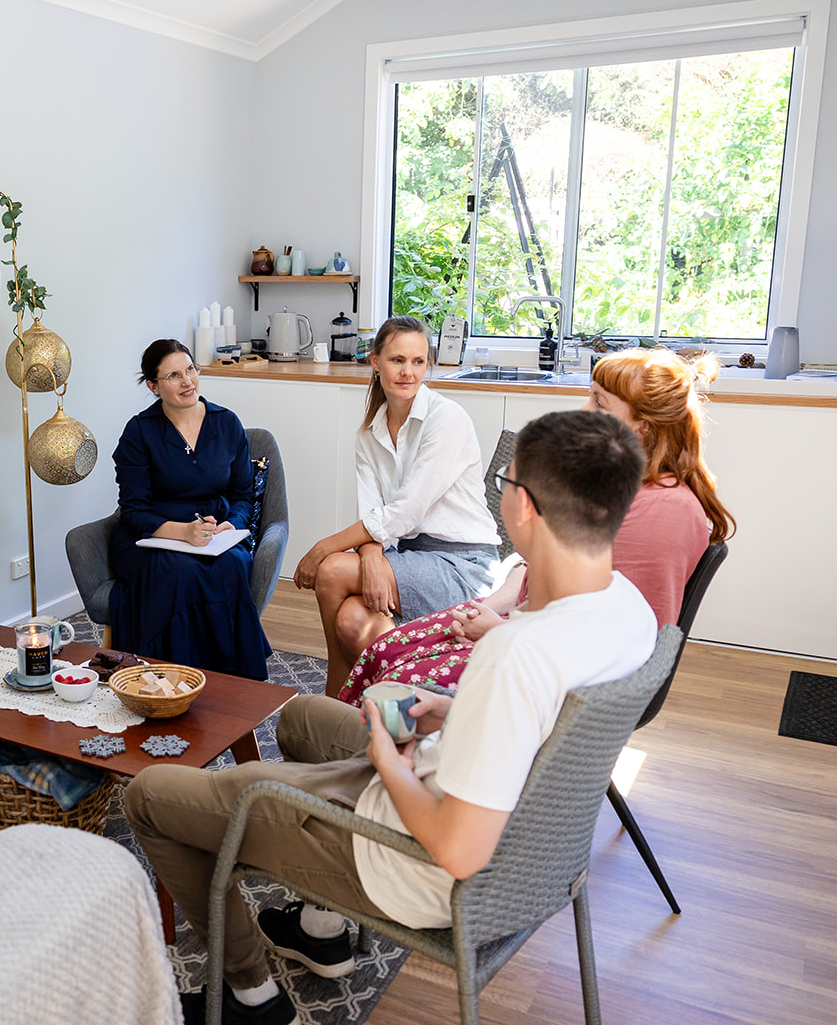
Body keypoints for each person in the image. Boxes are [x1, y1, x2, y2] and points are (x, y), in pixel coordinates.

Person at [126, 409, 658, 1025]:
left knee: (152, 797)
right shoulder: (630, 610)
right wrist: (454, 711)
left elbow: (458, 851)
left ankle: (251, 998)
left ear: (525, 508)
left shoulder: (516, 653)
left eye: (506, 482)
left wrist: (388, 764)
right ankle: (321, 927)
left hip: (407, 861)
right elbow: (547, 728)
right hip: (517, 834)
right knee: (301, 719)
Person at [336, 348, 736, 702]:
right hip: (524, 625)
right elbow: (539, 572)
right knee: (385, 649)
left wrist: (500, 631)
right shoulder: (623, 482)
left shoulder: (662, 514)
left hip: (551, 669)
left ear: (641, 427)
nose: (584, 412)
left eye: (599, 404)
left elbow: (615, 644)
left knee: (397, 675)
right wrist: (490, 607)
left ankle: (374, 750)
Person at [293, 317, 500, 696]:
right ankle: (388, 698)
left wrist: (324, 547)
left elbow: (406, 512)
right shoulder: (369, 435)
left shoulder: (446, 418)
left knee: (333, 568)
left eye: (418, 362)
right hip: (407, 557)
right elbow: (374, 514)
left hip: (464, 565)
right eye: (397, 360)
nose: (408, 372)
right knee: (352, 619)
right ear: (375, 362)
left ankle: (335, 697)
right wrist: (372, 557)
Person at [110, 339, 272, 679]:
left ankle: (230, 682)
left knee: (230, 564)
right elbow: (133, 511)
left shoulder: (227, 423)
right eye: (173, 376)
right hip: (156, 535)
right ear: (153, 386)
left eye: (190, 370)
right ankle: (171, 677)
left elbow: (242, 495)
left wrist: (232, 524)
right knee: (179, 570)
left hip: (216, 533)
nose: (187, 382)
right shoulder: (139, 432)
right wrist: (183, 532)